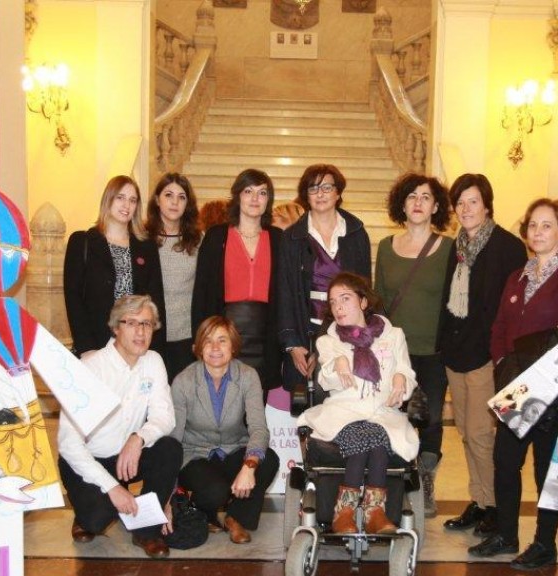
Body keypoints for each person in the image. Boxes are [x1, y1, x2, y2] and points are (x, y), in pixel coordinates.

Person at [471, 198, 558, 568]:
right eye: (533, 225)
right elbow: (499, 327)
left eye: (547, 225)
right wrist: (502, 363)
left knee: (545, 467)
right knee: (505, 460)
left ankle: (544, 543)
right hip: (517, 384)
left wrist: (532, 367)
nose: (537, 232)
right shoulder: (517, 276)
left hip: (553, 384)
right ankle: (506, 535)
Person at [57, 295, 183, 559]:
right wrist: (112, 488)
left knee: (169, 448)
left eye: (147, 324)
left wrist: (138, 438)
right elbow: (69, 444)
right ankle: (85, 511)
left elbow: (165, 416)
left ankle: (146, 531)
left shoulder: (153, 361)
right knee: (98, 519)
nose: (141, 332)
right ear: (116, 327)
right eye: (132, 323)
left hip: (126, 457)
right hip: (87, 459)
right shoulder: (89, 367)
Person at [439, 174, 526, 536]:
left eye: (472, 201)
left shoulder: (508, 247)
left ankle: (494, 506)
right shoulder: (457, 246)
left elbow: (512, 309)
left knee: (480, 434)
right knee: (465, 432)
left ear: (487, 205)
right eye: (460, 203)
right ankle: (479, 499)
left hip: (487, 356)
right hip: (457, 353)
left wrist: (501, 353)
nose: (466, 209)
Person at [296, 273, 418, 534]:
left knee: (377, 434)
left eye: (345, 299)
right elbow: (327, 381)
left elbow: (406, 371)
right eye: (333, 302)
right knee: (369, 436)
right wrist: (338, 363)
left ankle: (365, 513)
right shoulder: (328, 341)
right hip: (344, 413)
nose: (338, 307)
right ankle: (356, 512)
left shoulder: (393, 336)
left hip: (382, 412)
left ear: (363, 302)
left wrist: (400, 378)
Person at [374, 173, 452, 518]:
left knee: (430, 418)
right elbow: (379, 301)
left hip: (435, 350)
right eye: (411, 196)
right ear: (402, 205)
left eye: (425, 197)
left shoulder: (449, 249)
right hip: (396, 352)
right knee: (394, 413)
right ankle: (396, 481)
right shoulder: (386, 247)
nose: (418, 202)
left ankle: (426, 478)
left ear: (435, 207)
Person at [170, 317, 281, 543]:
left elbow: (259, 428)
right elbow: (173, 438)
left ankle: (236, 518)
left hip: (233, 449)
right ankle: (204, 511)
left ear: (233, 346)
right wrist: (168, 492)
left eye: (222, 340)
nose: (215, 347)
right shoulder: (183, 381)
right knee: (215, 491)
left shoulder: (248, 375)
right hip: (195, 454)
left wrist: (249, 466)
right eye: (208, 341)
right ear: (199, 347)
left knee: (268, 460)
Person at [277, 164, 372, 390]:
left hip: (347, 330)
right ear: (306, 195)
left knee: (347, 394)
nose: (320, 194)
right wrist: (292, 344)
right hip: (305, 328)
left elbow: (365, 288)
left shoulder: (356, 233)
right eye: (313, 188)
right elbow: (284, 291)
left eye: (327, 187)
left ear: (338, 193)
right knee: (307, 400)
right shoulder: (291, 237)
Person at [192, 169, 283, 396]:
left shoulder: (278, 239)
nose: (255, 198)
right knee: (221, 404)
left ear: (268, 200)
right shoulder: (216, 236)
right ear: (237, 196)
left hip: (265, 339)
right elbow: (201, 291)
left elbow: (285, 294)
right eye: (248, 191)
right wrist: (200, 338)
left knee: (255, 405)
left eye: (262, 193)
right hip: (223, 336)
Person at [63, 175, 164, 358]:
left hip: (135, 345)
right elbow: (73, 298)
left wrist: (152, 348)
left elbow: (155, 299)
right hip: (96, 346)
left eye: (132, 200)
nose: (126, 205)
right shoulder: (82, 242)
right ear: (108, 199)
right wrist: (86, 347)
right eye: (120, 197)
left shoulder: (146, 246)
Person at [146, 173, 202, 381]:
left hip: (187, 336)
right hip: (149, 334)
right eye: (168, 195)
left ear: (188, 204)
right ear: (157, 200)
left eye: (181, 197)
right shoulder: (142, 238)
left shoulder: (198, 240)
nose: (174, 202)